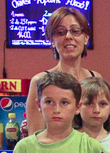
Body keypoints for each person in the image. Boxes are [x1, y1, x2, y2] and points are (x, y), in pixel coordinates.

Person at [25, 7, 102, 135]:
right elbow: (35, 138)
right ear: (52, 40)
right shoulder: (39, 81)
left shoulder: (95, 78)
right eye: (61, 32)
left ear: (86, 38)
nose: (68, 36)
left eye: (75, 31)